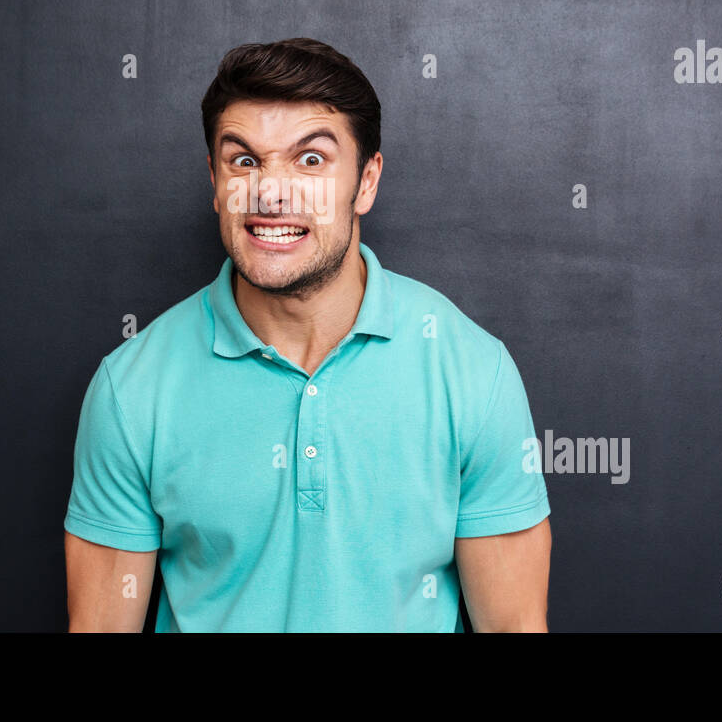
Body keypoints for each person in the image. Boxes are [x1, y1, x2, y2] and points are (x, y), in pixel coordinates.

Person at [64, 37, 551, 631]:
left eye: (311, 160)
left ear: (366, 182)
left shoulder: (474, 372)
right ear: (215, 181)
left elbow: (514, 626)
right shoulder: (130, 389)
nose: (270, 192)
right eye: (244, 161)